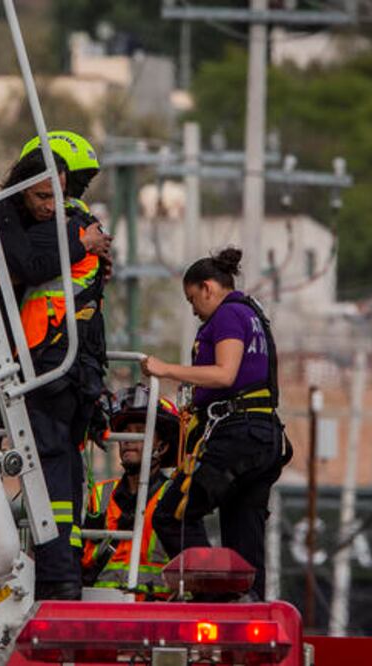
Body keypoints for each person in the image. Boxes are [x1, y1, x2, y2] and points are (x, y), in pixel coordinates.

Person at [0, 148, 109, 600]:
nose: (50, 205)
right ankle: (62, 572)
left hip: (52, 367)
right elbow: (24, 266)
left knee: (52, 465)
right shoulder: (70, 229)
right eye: (42, 197)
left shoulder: (61, 227)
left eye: (57, 195)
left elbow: (25, 267)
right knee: (60, 469)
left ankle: (58, 575)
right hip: (62, 366)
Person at [140, 247, 290, 599]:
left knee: (171, 516)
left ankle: (215, 599)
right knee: (243, 537)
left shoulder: (225, 316)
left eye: (192, 299)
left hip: (237, 434)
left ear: (207, 287)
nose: (193, 310)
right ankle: (249, 608)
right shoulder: (254, 315)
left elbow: (225, 374)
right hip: (264, 438)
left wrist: (166, 370)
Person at [81, 385, 180, 599]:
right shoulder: (99, 495)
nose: (128, 439)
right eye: (125, 431)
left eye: (139, 432)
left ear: (162, 447)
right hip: (98, 614)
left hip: (158, 617)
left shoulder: (175, 497)